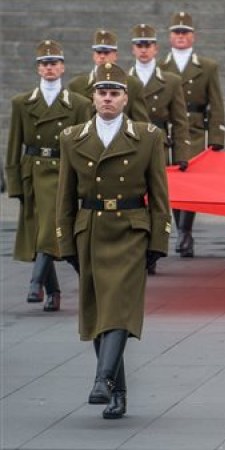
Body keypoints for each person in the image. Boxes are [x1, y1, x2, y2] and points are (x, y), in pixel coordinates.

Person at [56, 63, 170, 420]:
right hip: (90, 229)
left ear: (125, 99)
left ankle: (102, 379)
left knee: (118, 306)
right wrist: (66, 243)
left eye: (115, 93)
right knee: (96, 311)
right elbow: (65, 196)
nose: (108, 98)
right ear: (92, 97)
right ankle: (118, 392)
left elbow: (160, 194)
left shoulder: (148, 136)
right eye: (102, 92)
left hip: (131, 230)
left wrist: (159, 240)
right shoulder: (72, 137)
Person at [5, 40, 92, 312]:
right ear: (38, 69)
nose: (49, 67)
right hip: (33, 170)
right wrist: (15, 182)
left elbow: (83, 146)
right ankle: (53, 291)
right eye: (44, 63)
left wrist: (84, 181)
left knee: (49, 226)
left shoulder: (78, 104)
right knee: (44, 228)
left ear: (63, 67)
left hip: (63, 170)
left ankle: (35, 283)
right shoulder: (21, 103)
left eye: (54, 63)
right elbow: (13, 145)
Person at [160, 11, 225, 258]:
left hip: (196, 128)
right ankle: (182, 231)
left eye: (185, 32)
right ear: (170, 36)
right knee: (176, 184)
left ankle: (185, 231)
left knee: (190, 183)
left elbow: (216, 103)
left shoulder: (207, 67)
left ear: (193, 37)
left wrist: (217, 137)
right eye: (176, 32)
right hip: (169, 130)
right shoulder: (160, 67)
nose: (180, 36)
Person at [129, 23, 191, 274]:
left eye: (148, 45)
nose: (143, 50)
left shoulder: (171, 80)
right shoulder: (124, 79)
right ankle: (139, 248)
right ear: (133, 49)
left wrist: (182, 154)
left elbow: (179, 120)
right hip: (132, 144)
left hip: (158, 144)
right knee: (135, 200)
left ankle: (154, 250)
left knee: (158, 202)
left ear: (155, 48)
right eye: (139, 45)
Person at [67, 29, 149, 122]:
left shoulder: (133, 84)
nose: (102, 56)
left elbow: (140, 122)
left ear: (116, 55)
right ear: (93, 55)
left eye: (106, 52)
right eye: (98, 52)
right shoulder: (77, 85)